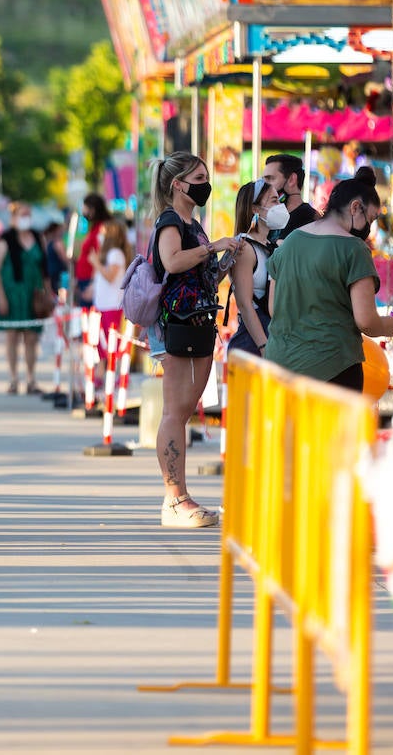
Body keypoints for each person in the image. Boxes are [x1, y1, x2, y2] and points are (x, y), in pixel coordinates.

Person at [148, 153, 244, 528]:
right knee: (175, 412)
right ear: (178, 184)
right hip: (180, 325)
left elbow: (198, 273)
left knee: (183, 411)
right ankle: (174, 499)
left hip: (198, 320)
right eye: (199, 176)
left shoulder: (193, 222)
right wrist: (213, 246)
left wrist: (222, 260)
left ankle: (180, 496)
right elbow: (171, 262)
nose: (206, 183)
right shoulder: (172, 221)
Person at [265, 167, 393, 389]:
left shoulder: (290, 241)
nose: (370, 228)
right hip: (333, 371)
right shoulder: (354, 248)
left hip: (280, 369)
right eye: (371, 219)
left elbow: (273, 307)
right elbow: (366, 320)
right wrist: (385, 326)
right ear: (356, 207)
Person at [227, 180, 286, 357]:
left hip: (272, 337)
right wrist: (264, 346)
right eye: (274, 200)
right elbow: (245, 304)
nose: (280, 206)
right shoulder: (244, 248)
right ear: (255, 209)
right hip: (253, 343)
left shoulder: (271, 245)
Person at [0, 203, 48, 394]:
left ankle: (31, 379)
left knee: (31, 337)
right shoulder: (5, 239)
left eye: (28, 214)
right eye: (22, 214)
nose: (26, 218)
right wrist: (1, 297)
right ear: (14, 217)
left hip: (33, 293)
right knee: (12, 336)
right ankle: (13, 379)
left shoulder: (37, 237)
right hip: (12, 292)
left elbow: (44, 268)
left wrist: (48, 293)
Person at [90, 218, 133, 347]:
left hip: (112, 306)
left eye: (103, 232)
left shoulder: (116, 253)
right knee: (102, 350)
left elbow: (110, 277)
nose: (100, 235)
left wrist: (96, 262)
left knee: (110, 348)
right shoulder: (109, 254)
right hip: (103, 306)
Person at [263, 154, 319, 241]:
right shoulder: (268, 219)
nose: (264, 186)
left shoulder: (310, 220)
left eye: (271, 179)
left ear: (292, 180)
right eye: (264, 180)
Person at [74, 194, 110, 307]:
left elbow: (100, 257)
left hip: (90, 280)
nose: (83, 212)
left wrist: (93, 284)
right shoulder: (94, 227)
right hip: (85, 279)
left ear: (93, 209)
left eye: (85, 208)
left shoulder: (102, 228)